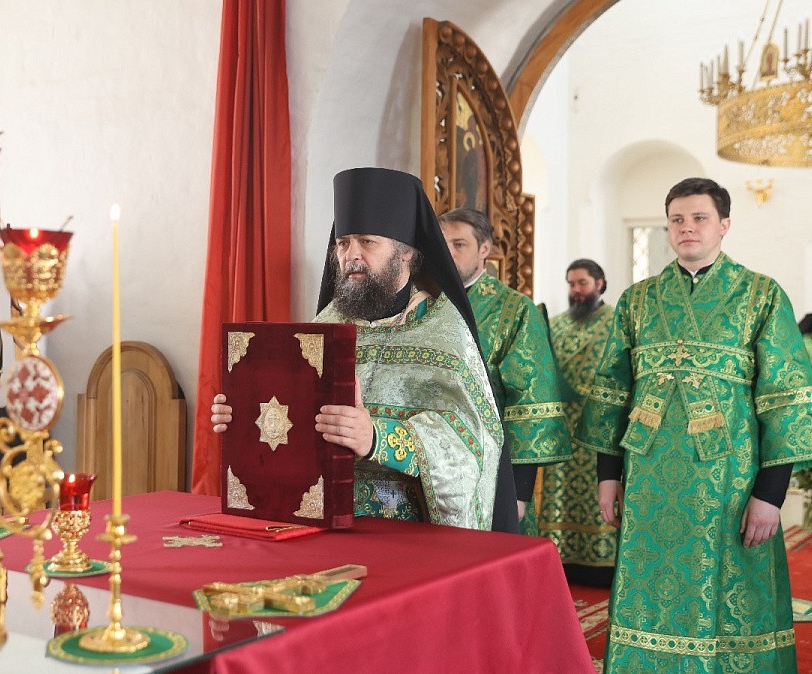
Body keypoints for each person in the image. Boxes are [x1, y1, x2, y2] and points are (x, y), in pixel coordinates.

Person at [576, 177, 812, 672]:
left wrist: (771, 493)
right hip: (650, 480)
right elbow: (612, 392)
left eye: (699, 218)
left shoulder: (760, 295)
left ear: (724, 225)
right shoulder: (637, 300)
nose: (686, 228)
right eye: (676, 219)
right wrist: (608, 474)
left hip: (730, 482)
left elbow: (785, 399)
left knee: (733, 592)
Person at [212, 167, 514, 531]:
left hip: (408, 534)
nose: (351, 255)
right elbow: (293, 420)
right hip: (322, 525)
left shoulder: (445, 334)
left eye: (367, 242)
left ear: (406, 253)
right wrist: (246, 416)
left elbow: (472, 446)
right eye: (343, 243)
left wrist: (377, 437)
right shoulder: (323, 328)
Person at [438, 208, 571, 534]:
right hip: (430, 463)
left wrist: (520, 492)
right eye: (442, 244)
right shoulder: (423, 303)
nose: (448, 253)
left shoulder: (516, 310)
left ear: (484, 249)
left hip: (492, 468)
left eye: (459, 244)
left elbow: (531, 405)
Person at [539, 259, 618, 587]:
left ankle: (601, 564)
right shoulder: (556, 325)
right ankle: (561, 558)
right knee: (560, 491)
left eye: (582, 283)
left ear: (600, 283)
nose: (576, 290)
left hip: (598, 427)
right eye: (571, 284)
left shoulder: (616, 322)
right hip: (562, 428)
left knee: (598, 492)